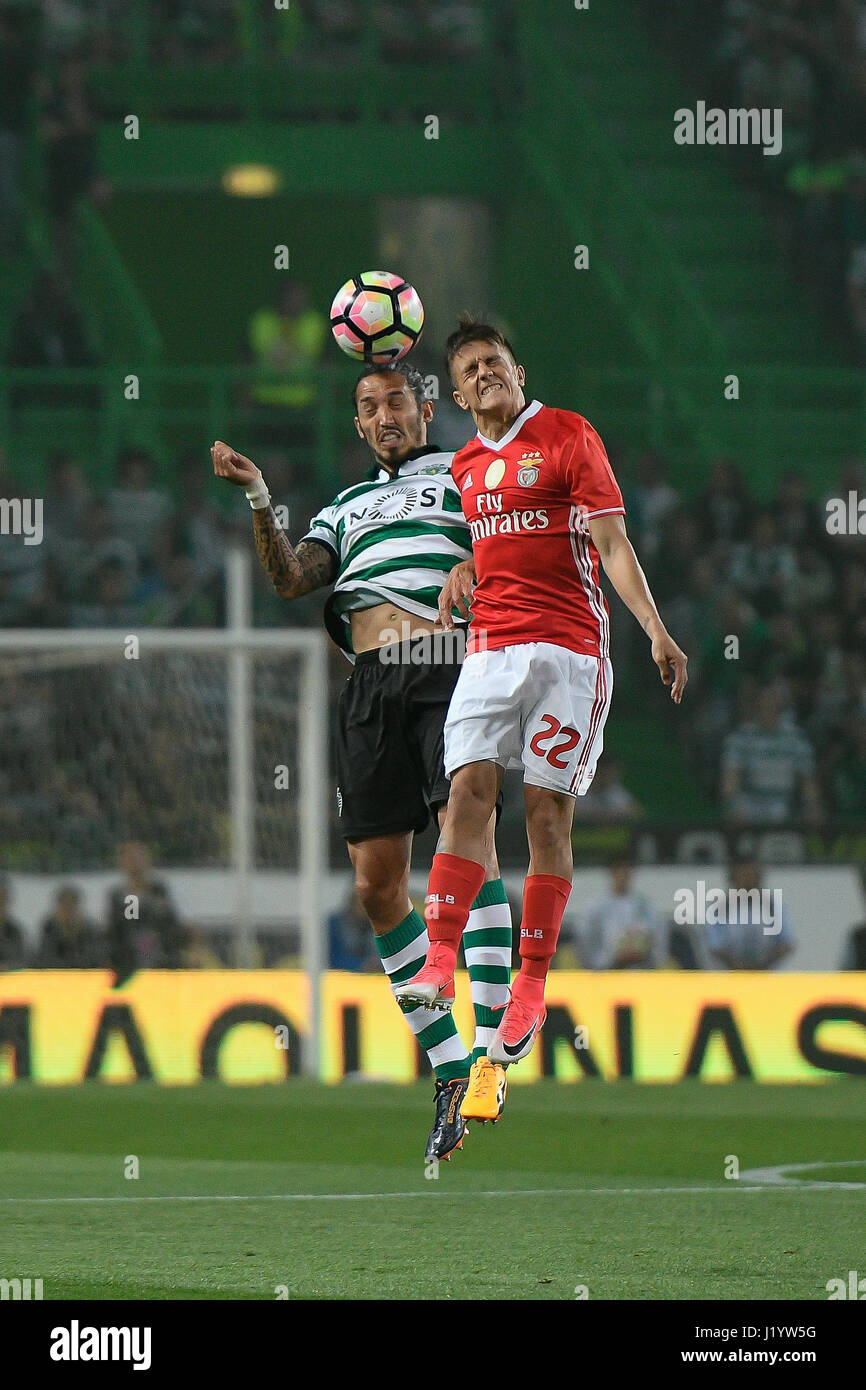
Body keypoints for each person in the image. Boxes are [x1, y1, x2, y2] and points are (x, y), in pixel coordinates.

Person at [211, 359, 513, 1160]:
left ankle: (491, 1055)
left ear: (424, 407)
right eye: (367, 406)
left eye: (395, 402)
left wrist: (474, 563)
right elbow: (290, 581)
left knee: (466, 834)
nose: (382, 415)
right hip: (372, 688)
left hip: (452, 664)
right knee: (378, 888)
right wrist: (257, 494)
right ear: (356, 423)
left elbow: (519, 538)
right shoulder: (343, 507)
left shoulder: (465, 470)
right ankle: (449, 1067)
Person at [394, 317, 687, 1119]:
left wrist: (656, 629)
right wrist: (463, 565)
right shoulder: (464, 465)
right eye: (471, 369)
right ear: (455, 394)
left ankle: (528, 987)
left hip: (569, 654)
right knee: (466, 798)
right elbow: (493, 544)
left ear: (518, 371)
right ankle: (439, 964)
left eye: (495, 361)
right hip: (489, 651)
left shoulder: (567, 435)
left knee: (547, 821)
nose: (485, 373)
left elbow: (613, 543)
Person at [106, 841, 185, 985]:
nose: (135, 862)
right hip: (130, 965)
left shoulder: (158, 891)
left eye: (138, 857)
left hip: (162, 964)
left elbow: (170, 925)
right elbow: (129, 926)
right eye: (130, 858)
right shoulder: (125, 896)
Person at [706, 858, 795, 970]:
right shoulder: (719, 908)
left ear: (759, 879)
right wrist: (737, 968)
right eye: (743, 877)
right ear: (732, 879)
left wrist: (761, 967)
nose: (747, 882)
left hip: (766, 975)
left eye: (751, 877)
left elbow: (786, 943)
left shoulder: (772, 905)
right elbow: (715, 946)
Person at [578, 860, 663, 969]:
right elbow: (586, 944)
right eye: (619, 871)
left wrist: (642, 949)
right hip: (606, 974)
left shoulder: (646, 906)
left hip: (640, 972)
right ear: (611, 873)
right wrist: (612, 958)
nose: (623, 875)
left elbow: (659, 942)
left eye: (626, 871)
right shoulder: (595, 910)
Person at [35, 885, 100, 968]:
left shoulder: (91, 935)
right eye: (64, 905)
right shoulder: (47, 935)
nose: (67, 910)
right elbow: (43, 962)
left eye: (71, 905)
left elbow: (95, 962)